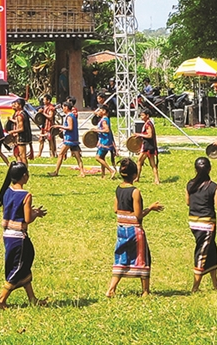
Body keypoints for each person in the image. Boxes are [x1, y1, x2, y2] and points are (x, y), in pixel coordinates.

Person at [107, 158, 161, 297]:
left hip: (121, 228)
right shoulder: (135, 191)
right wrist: (151, 208)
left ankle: (111, 289)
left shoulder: (118, 189)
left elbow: (115, 209)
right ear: (135, 175)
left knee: (121, 257)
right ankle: (145, 291)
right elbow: (138, 215)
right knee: (142, 257)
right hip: (134, 230)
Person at [0, 161, 46, 308]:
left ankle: (32, 299)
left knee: (24, 265)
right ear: (24, 176)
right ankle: (1, 301)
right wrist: (35, 213)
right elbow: (27, 219)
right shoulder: (26, 195)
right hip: (19, 237)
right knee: (17, 268)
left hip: (8, 235)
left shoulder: (7, 191)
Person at [186, 156, 217, 291]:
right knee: (201, 253)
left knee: (212, 251)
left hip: (193, 222)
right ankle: (195, 287)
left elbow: (188, 202)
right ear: (209, 169)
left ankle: (215, 283)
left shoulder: (190, 184)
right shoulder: (213, 187)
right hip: (207, 225)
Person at [51, 97, 87, 177]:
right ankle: (82, 172)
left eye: (63, 107)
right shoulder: (72, 115)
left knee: (60, 154)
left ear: (66, 107)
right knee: (78, 157)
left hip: (69, 139)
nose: (63, 109)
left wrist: (59, 126)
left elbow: (70, 127)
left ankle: (56, 171)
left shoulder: (69, 116)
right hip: (74, 138)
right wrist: (62, 128)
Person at [136, 106, 160, 184]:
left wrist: (139, 135)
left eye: (143, 115)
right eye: (141, 115)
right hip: (150, 146)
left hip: (147, 146)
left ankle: (137, 178)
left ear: (147, 115)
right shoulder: (147, 123)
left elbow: (150, 136)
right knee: (152, 164)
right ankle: (156, 180)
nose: (141, 117)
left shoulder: (148, 124)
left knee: (139, 161)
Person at [93, 108, 116, 178]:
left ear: (104, 111)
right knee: (102, 157)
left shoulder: (104, 120)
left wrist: (97, 130)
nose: (99, 112)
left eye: (100, 110)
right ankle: (103, 175)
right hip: (105, 141)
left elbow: (107, 130)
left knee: (98, 157)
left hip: (104, 142)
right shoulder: (105, 119)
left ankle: (111, 170)